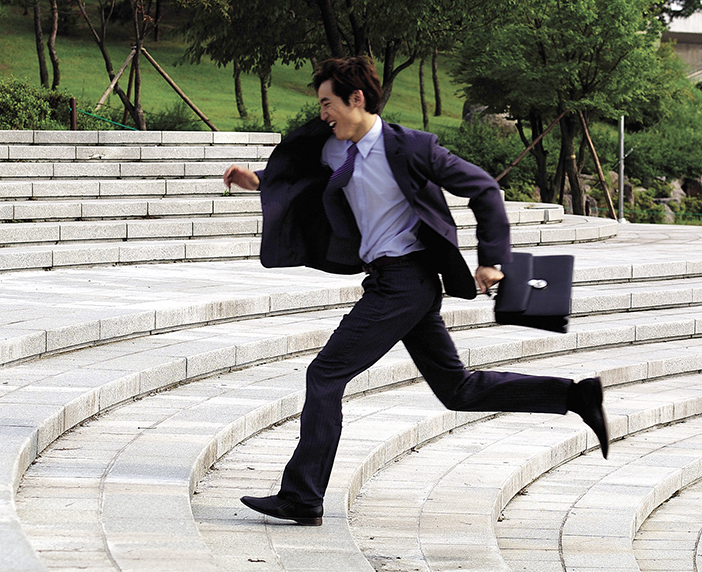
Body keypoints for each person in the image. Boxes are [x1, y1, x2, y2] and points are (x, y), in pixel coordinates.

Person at [223, 57, 608, 527]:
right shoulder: (331, 148)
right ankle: (576, 396)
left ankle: (302, 496)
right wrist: (259, 183)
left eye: (328, 103)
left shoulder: (409, 148)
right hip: (396, 282)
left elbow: (484, 188)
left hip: (405, 282)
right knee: (457, 389)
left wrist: (492, 260)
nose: (323, 113)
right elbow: (304, 179)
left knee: (324, 375)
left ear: (356, 99)